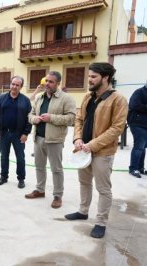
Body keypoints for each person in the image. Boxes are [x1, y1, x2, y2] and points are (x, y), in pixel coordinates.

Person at [65, 62, 128, 238]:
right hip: (82, 150)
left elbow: (117, 128)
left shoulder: (118, 99)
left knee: (103, 189)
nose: (89, 80)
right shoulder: (88, 97)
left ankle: (100, 223)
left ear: (105, 77)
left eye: (93, 77)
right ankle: (83, 211)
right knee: (84, 183)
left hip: (103, 152)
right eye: (89, 77)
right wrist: (77, 138)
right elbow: (78, 119)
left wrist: (92, 144)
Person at [25, 71, 76, 209]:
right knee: (39, 167)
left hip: (55, 140)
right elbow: (30, 114)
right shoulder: (39, 97)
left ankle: (58, 196)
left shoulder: (66, 98)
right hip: (38, 138)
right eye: (46, 81)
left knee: (56, 169)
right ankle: (40, 190)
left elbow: (72, 119)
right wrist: (34, 119)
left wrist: (51, 118)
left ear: (58, 84)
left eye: (51, 81)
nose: (47, 84)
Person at [0, 76, 32, 189]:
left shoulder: (25, 100)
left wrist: (26, 133)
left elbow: (30, 118)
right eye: (13, 84)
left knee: (20, 157)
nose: (14, 87)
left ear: (21, 87)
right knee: (4, 156)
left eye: (17, 85)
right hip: (4, 133)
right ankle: (4, 176)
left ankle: (21, 179)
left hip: (19, 135)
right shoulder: (2, 98)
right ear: (10, 84)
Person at [127, 84, 147, 178]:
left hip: (145, 124)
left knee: (142, 147)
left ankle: (140, 168)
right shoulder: (139, 92)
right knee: (139, 146)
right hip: (137, 123)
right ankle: (133, 168)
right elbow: (134, 105)